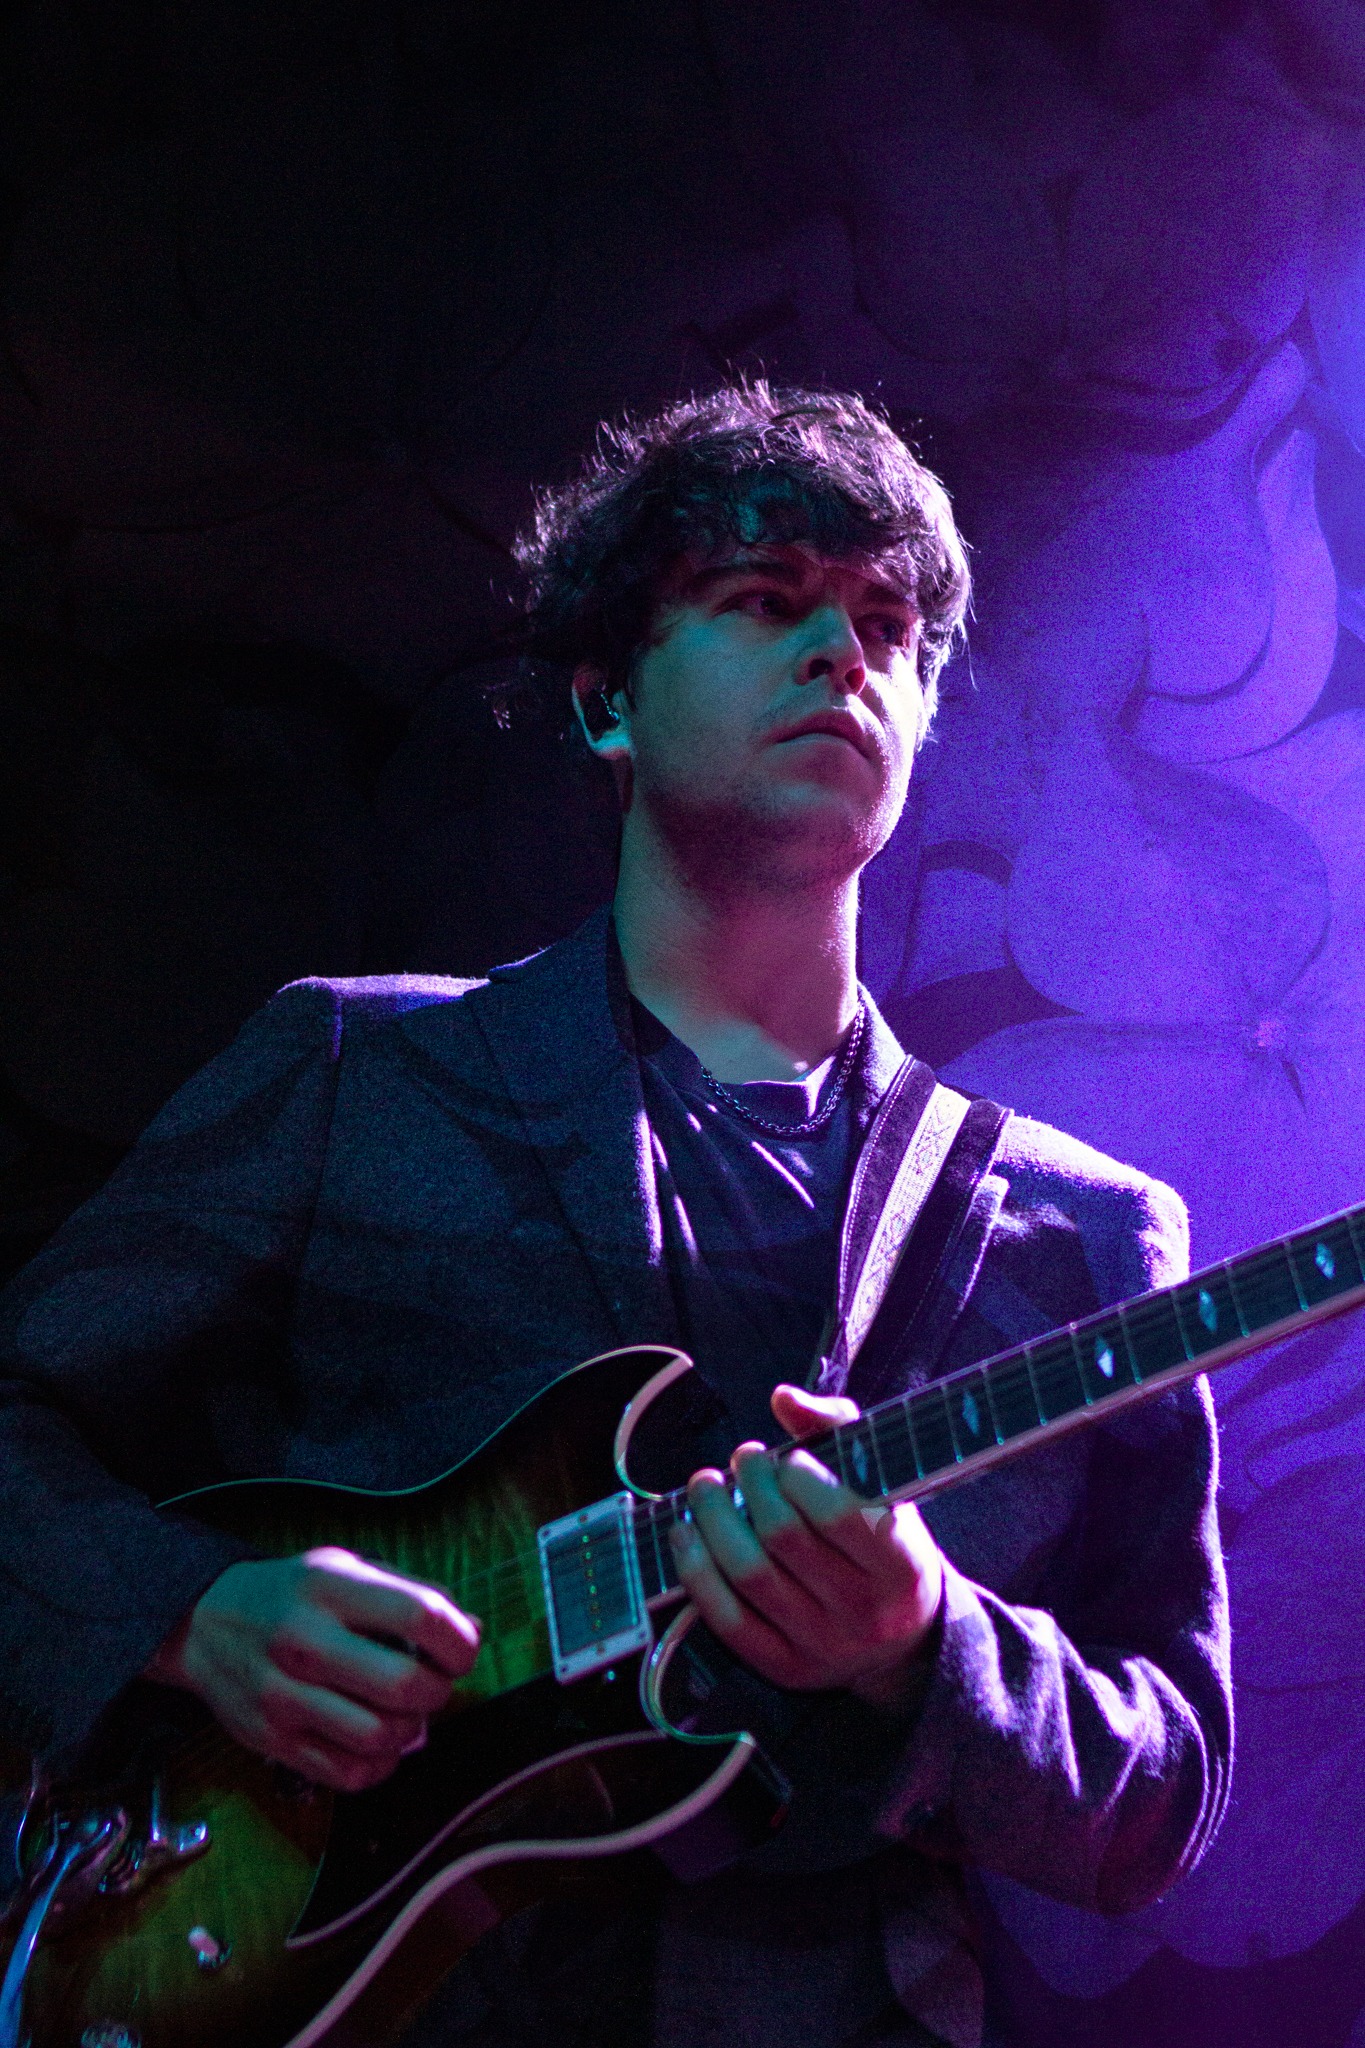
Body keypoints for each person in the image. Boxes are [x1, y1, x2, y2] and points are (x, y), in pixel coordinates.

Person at [0, 385, 1231, 2048]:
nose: (842, 654)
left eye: (886, 626)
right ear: (603, 702)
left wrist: (928, 1643)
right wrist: (187, 1616)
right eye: (765, 599)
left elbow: (1156, 1811)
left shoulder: (1085, 1237)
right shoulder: (361, 1071)